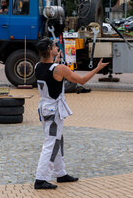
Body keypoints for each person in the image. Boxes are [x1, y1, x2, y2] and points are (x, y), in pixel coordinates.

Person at [34, 38, 108, 190]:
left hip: (45, 107)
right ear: (49, 50)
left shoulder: (37, 66)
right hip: (53, 110)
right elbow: (81, 81)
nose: (57, 47)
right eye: (54, 46)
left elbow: (50, 73)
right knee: (51, 143)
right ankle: (40, 178)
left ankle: (60, 173)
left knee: (57, 140)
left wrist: (56, 60)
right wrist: (97, 69)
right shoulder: (59, 69)